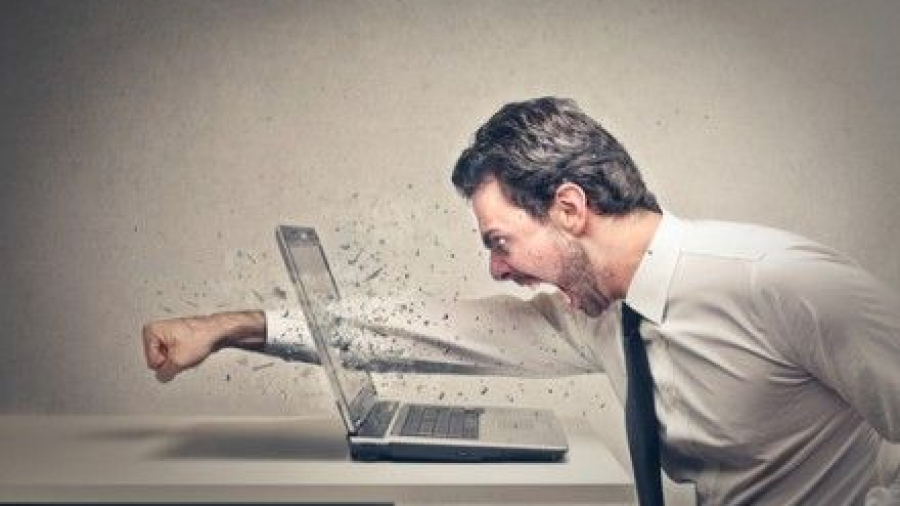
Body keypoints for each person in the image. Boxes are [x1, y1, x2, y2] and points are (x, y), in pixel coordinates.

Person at [143, 97, 899, 505]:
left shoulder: (781, 282)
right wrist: (237, 326)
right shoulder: (598, 315)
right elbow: (429, 332)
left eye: (500, 241)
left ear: (569, 208)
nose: (499, 271)